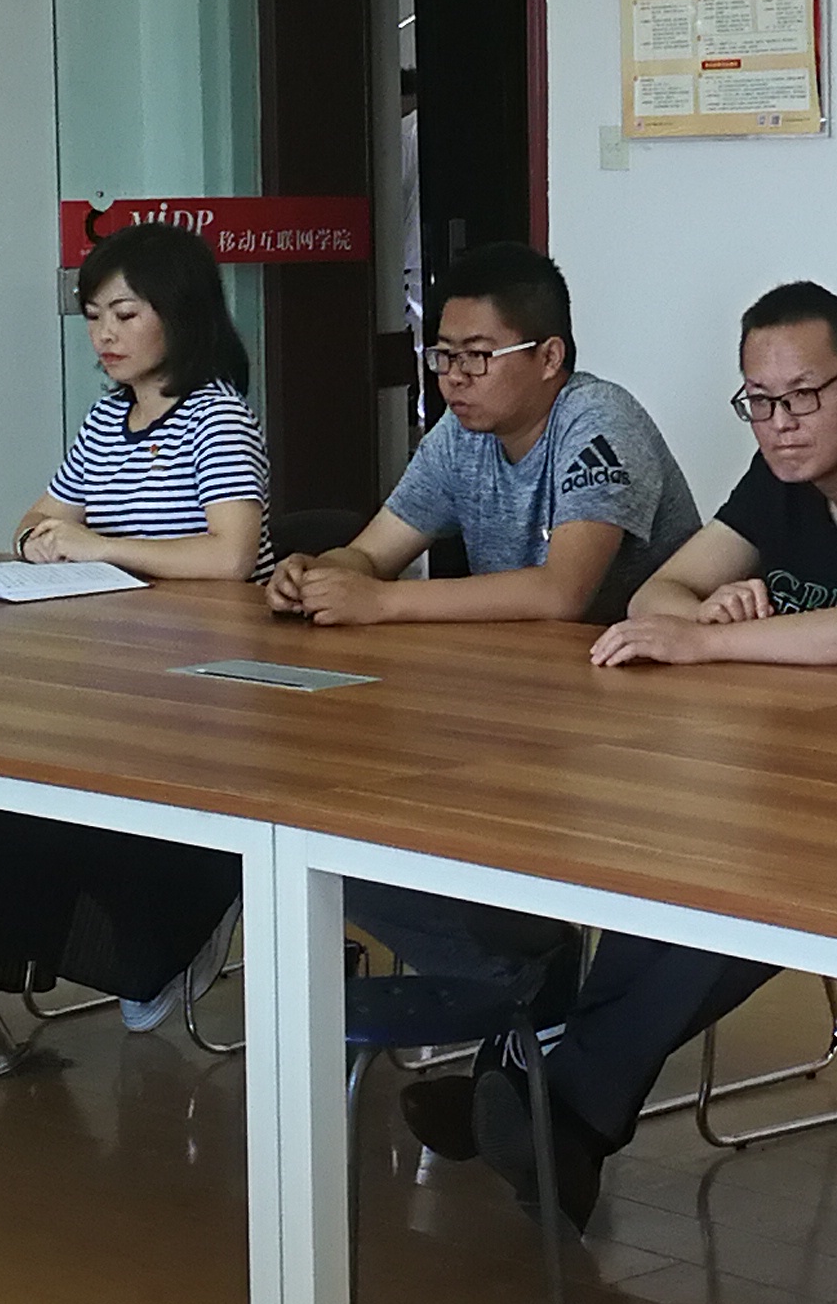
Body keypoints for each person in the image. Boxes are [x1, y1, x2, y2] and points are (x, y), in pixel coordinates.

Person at [457, 282, 837, 1225]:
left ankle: (557, 1097)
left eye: (803, 397)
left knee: (767, 873)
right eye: (758, 402)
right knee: (698, 854)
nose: (781, 425)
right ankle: (562, 1107)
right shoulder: (780, 474)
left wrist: (710, 643)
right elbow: (658, 595)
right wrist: (707, 609)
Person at [266, 239, 700, 1067]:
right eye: (443, 357)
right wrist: (321, 574)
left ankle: (535, 993)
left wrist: (381, 603)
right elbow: (375, 551)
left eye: (476, 357)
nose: (453, 379)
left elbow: (563, 594)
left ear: (549, 357)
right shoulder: (459, 436)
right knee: (339, 820)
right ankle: (525, 981)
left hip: (641, 724)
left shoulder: (598, 424)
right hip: (520, 706)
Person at [0, 218, 274, 1031]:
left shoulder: (216, 417)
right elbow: (40, 516)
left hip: (213, 679)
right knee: (8, 775)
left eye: (126, 314)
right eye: (95, 315)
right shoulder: (108, 418)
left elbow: (231, 555)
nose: (105, 334)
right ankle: (44, 951)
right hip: (122, 663)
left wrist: (97, 545)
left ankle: (177, 931)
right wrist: (37, 541)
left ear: (181, 314)